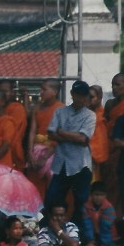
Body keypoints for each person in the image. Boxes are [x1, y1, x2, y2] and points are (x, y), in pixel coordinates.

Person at [45, 80, 97, 227]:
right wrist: (69, 136)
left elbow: (83, 139)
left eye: (83, 96)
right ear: (72, 94)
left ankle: (78, 234)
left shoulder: (90, 115)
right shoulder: (60, 111)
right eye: (77, 95)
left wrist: (61, 133)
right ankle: (51, 231)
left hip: (80, 165)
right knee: (52, 199)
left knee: (81, 203)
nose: (80, 99)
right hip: (61, 163)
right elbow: (51, 133)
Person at [26, 79, 64, 199]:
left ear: (55, 91)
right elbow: (32, 132)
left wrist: (46, 156)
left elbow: (61, 137)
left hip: (53, 151)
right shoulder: (37, 108)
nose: (41, 92)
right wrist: (30, 152)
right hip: (36, 150)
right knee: (33, 186)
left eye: (44, 89)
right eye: (40, 89)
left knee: (52, 185)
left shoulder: (62, 109)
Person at [81, 181, 117, 246]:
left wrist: (105, 244)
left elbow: (106, 227)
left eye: (101, 195)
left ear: (105, 196)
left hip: (108, 238)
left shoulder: (109, 208)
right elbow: (87, 224)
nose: (98, 197)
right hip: (94, 236)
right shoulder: (86, 207)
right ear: (91, 194)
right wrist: (90, 241)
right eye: (96, 194)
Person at [0, 79, 29, 170]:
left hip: (12, 151)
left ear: (12, 92)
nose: (3, 95)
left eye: (5, 92)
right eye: (0, 92)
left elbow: (15, 135)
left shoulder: (17, 108)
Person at [88, 84, 109, 184]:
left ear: (100, 98)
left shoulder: (101, 117)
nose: (88, 100)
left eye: (91, 97)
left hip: (94, 161)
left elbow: (100, 145)